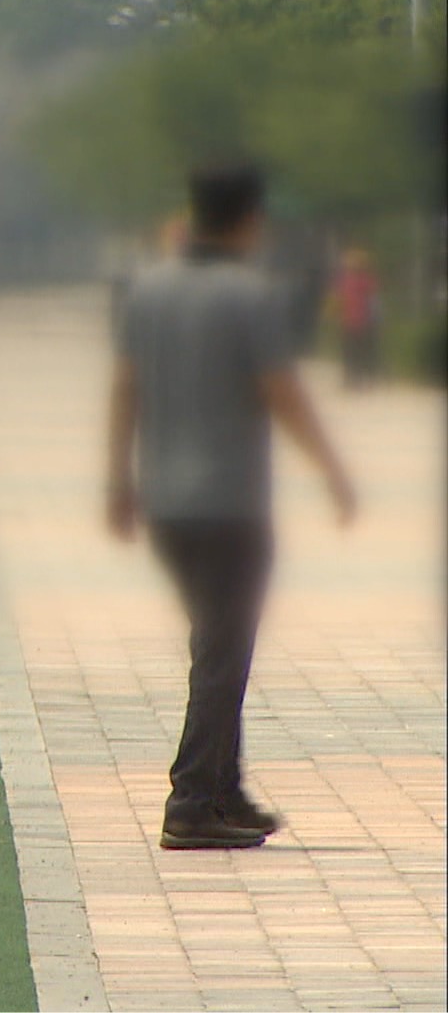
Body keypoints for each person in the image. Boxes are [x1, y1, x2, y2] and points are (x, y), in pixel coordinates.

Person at [106, 162, 357, 851]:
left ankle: (224, 789)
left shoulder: (148, 290)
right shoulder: (251, 295)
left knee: (216, 644)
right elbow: (283, 392)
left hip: (166, 503)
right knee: (222, 653)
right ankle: (192, 800)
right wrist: (333, 472)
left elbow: (125, 387)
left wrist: (118, 481)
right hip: (231, 504)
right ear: (250, 218)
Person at [332, 247, 381, 389]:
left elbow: (373, 301)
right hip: (354, 321)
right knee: (355, 352)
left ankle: (354, 378)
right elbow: (374, 301)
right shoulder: (361, 280)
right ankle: (354, 378)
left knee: (353, 352)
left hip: (356, 321)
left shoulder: (352, 280)